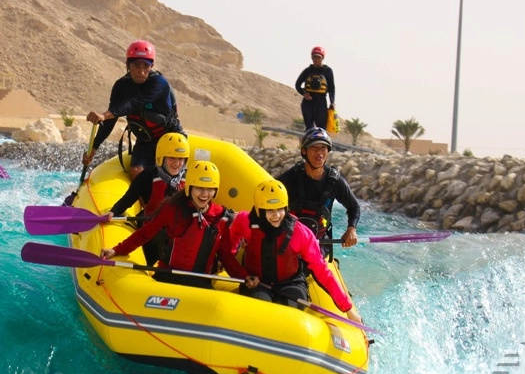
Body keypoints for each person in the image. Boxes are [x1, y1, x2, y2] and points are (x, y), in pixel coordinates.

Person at [100, 160, 247, 288]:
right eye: (200, 188)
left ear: (215, 191)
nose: (204, 194)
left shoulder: (221, 217)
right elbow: (145, 233)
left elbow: (226, 256)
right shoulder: (172, 208)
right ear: (189, 188)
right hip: (168, 277)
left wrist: (244, 277)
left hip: (199, 282)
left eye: (210, 189)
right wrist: (117, 250)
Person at [230, 180, 362, 322]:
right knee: (261, 308)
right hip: (256, 282)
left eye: (280, 209)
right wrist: (243, 275)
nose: (276, 215)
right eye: (270, 210)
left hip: (290, 284)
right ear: (259, 210)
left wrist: (348, 310)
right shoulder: (244, 221)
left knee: (287, 315)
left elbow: (322, 271)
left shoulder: (301, 233)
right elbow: (229, 248)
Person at [83, 40, 184, 180]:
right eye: (136, 65)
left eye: (146, 66)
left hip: (170, 138)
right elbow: (110, 121)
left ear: (152, 66)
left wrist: (104, 115)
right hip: (146, 141)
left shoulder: (159, 83)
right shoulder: (120, 87)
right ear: (128, 65)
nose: (141, 71)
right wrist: (93, 148)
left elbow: (135, 103)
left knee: (167, 175)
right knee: (136, 172)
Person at [104, 133, 189, 264]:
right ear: (162, 157)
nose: (177, 163)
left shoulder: (190, 181)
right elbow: (128, 198)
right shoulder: (147, 177)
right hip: (151, 231)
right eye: (172, 158)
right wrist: (113, 212)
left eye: (181, 159)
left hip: (177, 234)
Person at [277, 127, 360, 259]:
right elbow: (269, 205)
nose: (319, 153)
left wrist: (351, 229)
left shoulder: (335, 181)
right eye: (314, 148)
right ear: (304, 151)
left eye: (323, 148)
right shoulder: (290, 178)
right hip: (291, 239)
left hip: (319, 243)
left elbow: (354, 207)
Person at [294, 46, 336, 131]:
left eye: (318, 57)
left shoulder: (327, 71)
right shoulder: (307, 71)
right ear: (312, 58)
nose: (316, 59)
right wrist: (304, 94)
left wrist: (332, 102)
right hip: (308, 102)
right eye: (314, 57)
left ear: (322, 58)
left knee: (321, 128)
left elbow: (331, 88)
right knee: (309, 127)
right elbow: (297, 84)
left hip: (321, 102)